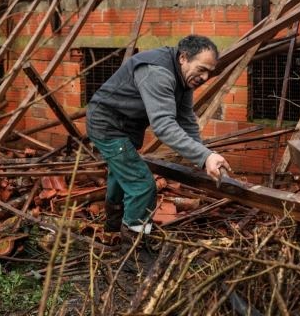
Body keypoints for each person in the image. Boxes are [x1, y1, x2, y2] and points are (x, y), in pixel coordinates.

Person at [86, 35, 231, 236]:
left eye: (209, 72)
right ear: (183, 58)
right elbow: (163, 126)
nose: (205, 78)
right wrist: (205, 156)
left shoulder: (183, 77)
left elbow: (186, 118)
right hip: (107, 125)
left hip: (126, 125)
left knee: (121, 176)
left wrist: (203, 157)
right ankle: (134, 249)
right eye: (202, 69)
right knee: (142, 186)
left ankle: (112, 229)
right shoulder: (157, 73)